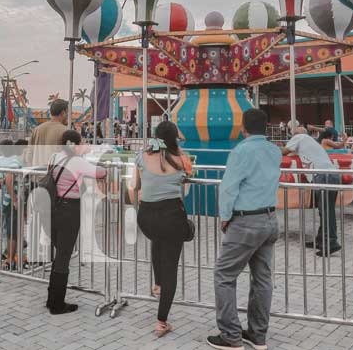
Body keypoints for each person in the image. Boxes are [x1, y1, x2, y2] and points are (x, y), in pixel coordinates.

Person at [206, 108, 280, 350]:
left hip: (246, 222)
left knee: (224, 276)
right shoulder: (274, 150)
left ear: (243, 127)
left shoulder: (241, 151)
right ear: (266, 126)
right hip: (269, 219)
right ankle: (258, 335)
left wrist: (225, 217)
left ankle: (230, 335)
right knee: (262, 279)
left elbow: (229, 188)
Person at [133, 121, 192, 338]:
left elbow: (135, 185)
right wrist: (178, 144)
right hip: (171, 217)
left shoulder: (142, 155)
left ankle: (157, 285)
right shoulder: (182, 160)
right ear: (175, 137)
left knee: (157, 240)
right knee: (171, 268)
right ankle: (161, 321)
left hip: (146, 216)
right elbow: (185, 189)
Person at [45, 130, 106, 315]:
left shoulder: (55, 156)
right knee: (64, 255)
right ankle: (57, 304)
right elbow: (100, 172)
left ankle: (51, 298)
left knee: (59, 254)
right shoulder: (77, 162)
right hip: (69, 210)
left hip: (54, 208)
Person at [282, 126, 341, 256]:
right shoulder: (311, 143)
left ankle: (331, 242)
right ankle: (321, 240)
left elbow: (284, 151)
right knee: (325, 210)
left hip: (322, 176)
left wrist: (268, 148)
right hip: (331, 175)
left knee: (326, 211)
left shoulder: (300, 137)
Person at [0, 139, 27, 270]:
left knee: (8, 229)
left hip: (5, 199)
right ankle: (12, 258)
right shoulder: (17, 160)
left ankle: (8, 254)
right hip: (14, 200)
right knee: (14, 230)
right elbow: (9, 178)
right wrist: (15, 199)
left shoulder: (0, 161)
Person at [25, 99, 69, 167]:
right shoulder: (66, 131)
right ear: (63, 113)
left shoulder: (37, 130)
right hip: (54, 175)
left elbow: (29, 155)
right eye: (67, 112)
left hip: (37, 174)